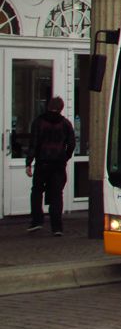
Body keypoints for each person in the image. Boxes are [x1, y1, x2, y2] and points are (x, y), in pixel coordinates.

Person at [25, 96, 76, 236]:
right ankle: (57, 227)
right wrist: (65, 156)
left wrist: (29, 162)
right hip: (58, 164)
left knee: (36, 191)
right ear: (61, 108)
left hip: (42, 162)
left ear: (48, 106)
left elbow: (33, 144)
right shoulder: (65, 124)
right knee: (56, 195)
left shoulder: (39, 122)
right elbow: (71, 143)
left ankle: (37, 221)